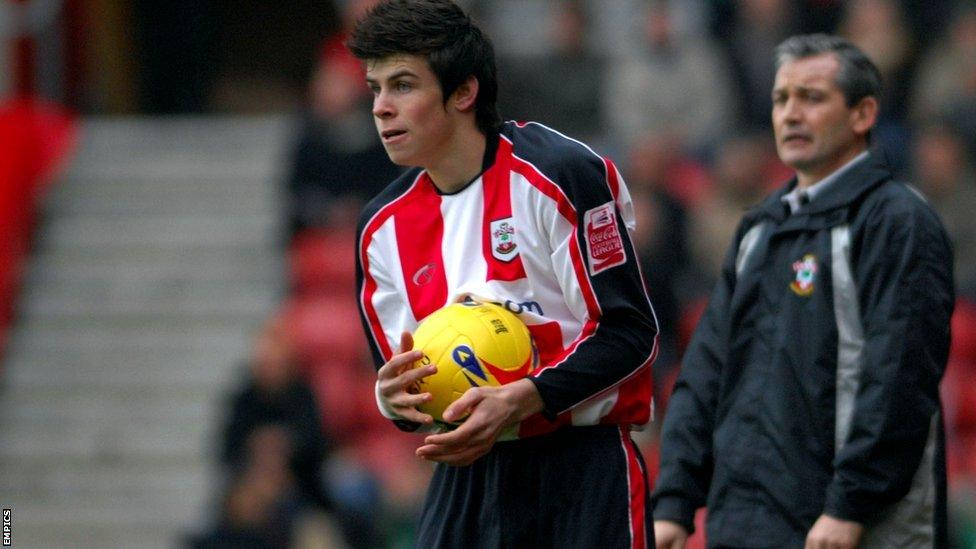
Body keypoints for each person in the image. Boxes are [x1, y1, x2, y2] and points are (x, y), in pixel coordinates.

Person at [349, 1, 659, 547]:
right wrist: (392, 399)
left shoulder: (561, 174)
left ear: (464, 92)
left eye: (402, 85)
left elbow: (631, 334)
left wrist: (524, 398)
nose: (381, 108)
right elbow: (400, 387)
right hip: (465, 481)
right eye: (375, 88)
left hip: (581, 470)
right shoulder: (381, 229)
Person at [652, 34, 954, 548]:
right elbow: (706, 371)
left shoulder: (896, 221)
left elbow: (898, 378)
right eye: (781, 98)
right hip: (744, 523)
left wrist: (849, 506)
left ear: (862, 115)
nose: (791, 113)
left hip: (848, 528)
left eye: (811, 98)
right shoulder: (760, 228)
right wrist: (676, 500)